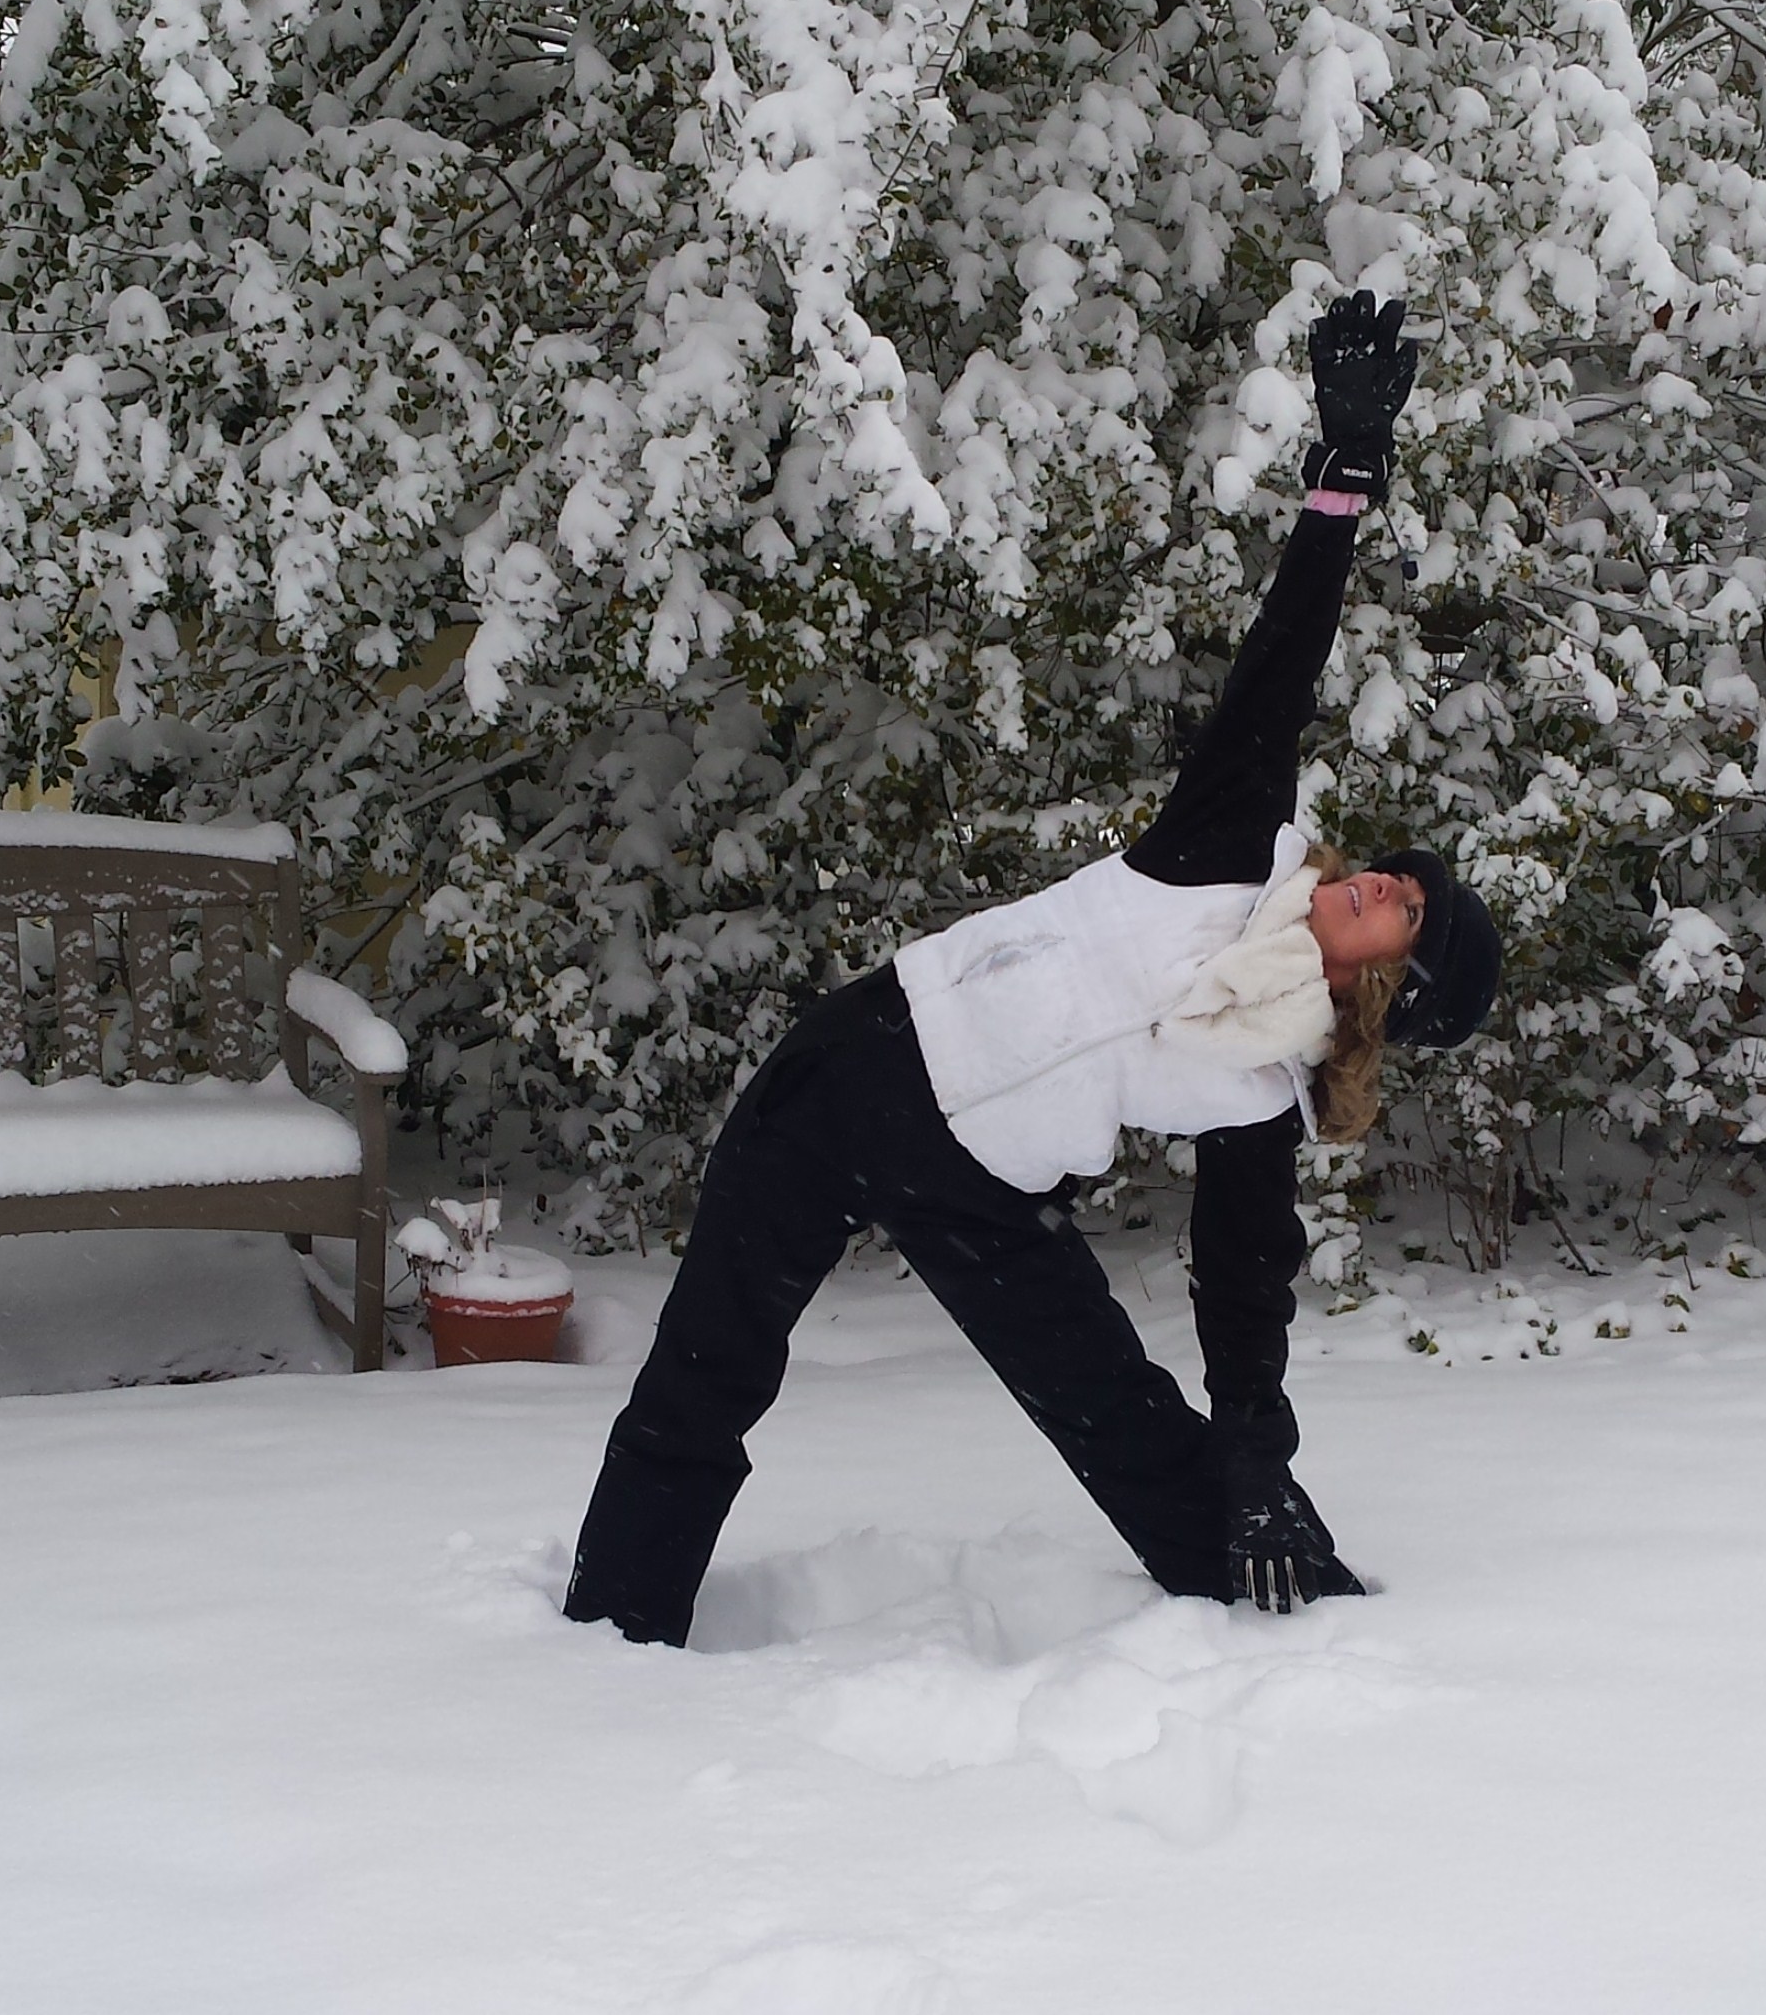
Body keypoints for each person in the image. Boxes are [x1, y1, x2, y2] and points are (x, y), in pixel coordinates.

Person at [562, 293, 1500, 1644]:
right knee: (707, 1368)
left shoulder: (1259, 1097)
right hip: (862, 1058)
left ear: (1379, 992)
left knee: (1133, 1434)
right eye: (1397, 875)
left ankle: (1298, 1625)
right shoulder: (1228, 849)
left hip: (982, 1191)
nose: (1377, 883)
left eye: (1398, 914)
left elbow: (1243, 1286)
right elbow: (1275, 675)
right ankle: (604, 1642)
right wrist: (1343, 479)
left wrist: (1260, 1459)